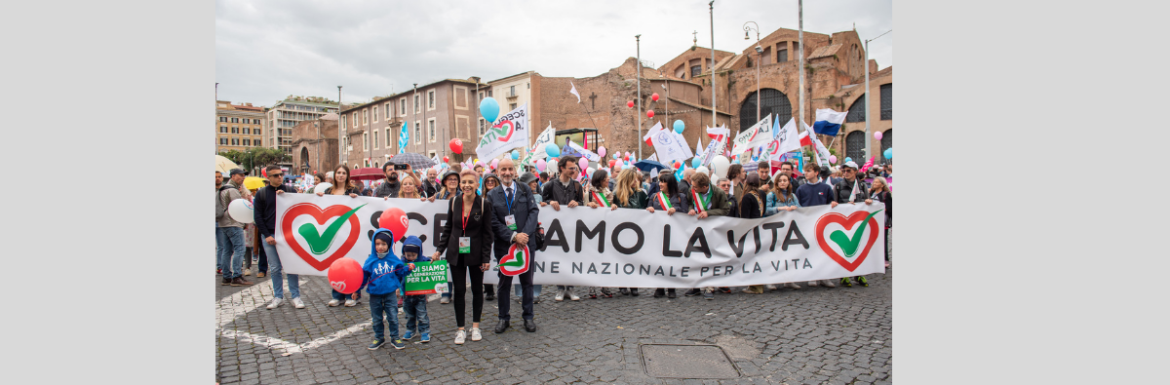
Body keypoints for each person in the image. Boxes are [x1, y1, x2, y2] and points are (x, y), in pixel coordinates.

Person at [431, 169, 494, 345]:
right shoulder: (453, 202)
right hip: (455, 253)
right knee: (459, 291)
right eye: (464, 182)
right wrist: (439, 250)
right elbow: (448, 229)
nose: (467, 185)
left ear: (477, 184)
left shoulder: (484, 205)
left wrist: (486, 258)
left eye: (470, 182)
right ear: (460, 184)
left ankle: (475, 327)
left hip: (476, 253)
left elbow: (488, 234)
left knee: (476, 290)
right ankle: (460, 329)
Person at [486, 159, 541, 334]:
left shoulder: (524, 189)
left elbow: (534, 212)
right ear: (497, 171)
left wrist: (523, 235)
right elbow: (493, 221)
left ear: (515, 171)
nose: (507, 172)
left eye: (510, 169)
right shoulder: (492, 195)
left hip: (526, 244)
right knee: (504, 283)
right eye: (504, 169)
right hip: (505, 246)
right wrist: (513, 236)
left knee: (527, 282)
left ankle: (528, 317)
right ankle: (503, 318)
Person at [254, 166, 305, 309]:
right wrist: (267, 235)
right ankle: (278, 296)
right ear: (268, 178)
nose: (279, 177)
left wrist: (287, 198)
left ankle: (296, 296)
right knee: (275, 268)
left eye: (281, 174)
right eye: (275, 175)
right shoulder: (261, 194)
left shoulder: (289, 191)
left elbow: (300, 209)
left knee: (291, 266)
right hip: (270, 235)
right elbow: (258, 217)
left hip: (287, 235)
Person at [319, 165, 365, 307]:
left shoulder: (353, 190)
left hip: (350, 232)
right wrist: (319, 198)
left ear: (347, 175)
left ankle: (352, 294)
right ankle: (337, 294)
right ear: (335, 175)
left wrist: (357, 198)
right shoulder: (328, 191)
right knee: (336, 265)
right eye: (338, 172)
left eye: (343, 173)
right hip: (333, 234)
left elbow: (363, 206)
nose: (340, 175)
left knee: (351, 264)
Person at [360, 229, 413, 351]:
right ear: (374, 244)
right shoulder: (370, 260)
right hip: (375, 294)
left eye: (383, 244)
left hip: (390, 294)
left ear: (389, 245)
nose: (380, 247)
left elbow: (400, 271)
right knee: (377, 318)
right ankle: (379, 338)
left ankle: (395, 337)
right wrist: (357, 290)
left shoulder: (393, 259)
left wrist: (408, 268)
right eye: (377, 244)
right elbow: (364, 276)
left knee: (393, 316)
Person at [540, 156, 583, 302]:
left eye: (575, 168)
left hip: (572, 228)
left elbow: (582, 203)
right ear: (561, 168)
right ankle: (560, 288)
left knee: (571, 257)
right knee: (558, 257)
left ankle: (570, 288)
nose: (574, 170)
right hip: (555, 230)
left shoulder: (577, 186)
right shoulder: (549, 186)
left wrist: (577, 203)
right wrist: (549, 202)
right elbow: (542, 202)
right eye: (571, 168)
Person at [682, 172, 731, 300]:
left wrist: (708, 213)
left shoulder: (718, 193)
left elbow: (725, 210)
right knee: (695, 258)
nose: (693, 189)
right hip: (696, 228)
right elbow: (688, 203)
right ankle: (696, 286)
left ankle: (710, 286)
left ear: (704, 187)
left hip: (712, 230)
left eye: (696, 187)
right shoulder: (691, 190)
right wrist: (690, 209)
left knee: (710, 258)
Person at [794, 164, 838, 288]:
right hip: (807, 224)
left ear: (816, 173)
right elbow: (798, 206)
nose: (805, 173)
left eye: (808, 171)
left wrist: (833, 204)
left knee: (824, 251)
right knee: (809, 251)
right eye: (805, 171)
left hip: (822, 225)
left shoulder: (826, 188)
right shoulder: (801, 189)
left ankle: (824, 277)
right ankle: (811, 276)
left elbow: (831, 202)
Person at [647, 170, 688, 299]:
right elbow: (646, 211)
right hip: (658, 233)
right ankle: (659, 287)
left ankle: (671, 288)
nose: (660, 184)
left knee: (672, 261)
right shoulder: (654, 196)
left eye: (663, 182)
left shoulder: (681, 197)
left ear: (670, 183)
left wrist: (677, 209)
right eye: (660, 181)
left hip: (674, 234)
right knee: (659, 261)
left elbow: (686, 212)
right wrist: (649, 209)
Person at [610, 168, 648, 297]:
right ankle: (622, 284)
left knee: (635, 258)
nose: (636, 181)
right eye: (633, 179)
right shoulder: (616, 194)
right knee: (622, 258)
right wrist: (613, 207)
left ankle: (634, 284)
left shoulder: (642, 194)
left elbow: (645, 209)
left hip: (637, 231)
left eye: (636, 179)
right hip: (622, 231)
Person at [217, 168, 254, 287]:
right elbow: (238, 208)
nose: (243, 177)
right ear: (232, 176)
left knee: (227, 250)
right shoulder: (232, 190)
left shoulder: (224, 188)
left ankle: (226, 276)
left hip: (224, 222)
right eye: (240, 175)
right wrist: (244, 223)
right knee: (240, 249)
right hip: (233, 222)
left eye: (244, 175)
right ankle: (237, 276)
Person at [583, 169, 616, 299]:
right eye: (605, 178)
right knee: (593, 257)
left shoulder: (610, 193)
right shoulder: (589, 194)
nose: (608, 180)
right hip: (592, 229)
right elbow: (582, 212)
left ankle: (605, 285)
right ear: (599, 180)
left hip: (606, 228)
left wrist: (614, 207)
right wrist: (588, 205)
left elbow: (610, 209)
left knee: (606, 257)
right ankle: (592, 285)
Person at [514, 172, 543, 303]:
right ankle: (520, 293)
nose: (535, 183)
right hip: (518, 235)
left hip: (533, 236)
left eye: (536, 181)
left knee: (532, 267)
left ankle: (533, 293)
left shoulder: (539, 197)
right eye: (532, 181)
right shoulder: (516, 196)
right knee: (518, 264)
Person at [399, 236, 431, 343]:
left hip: (420, 294)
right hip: (407, 294)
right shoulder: (402, 262)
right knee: (409, 314)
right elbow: (398, 274)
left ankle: (425, 331)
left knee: (422, 314)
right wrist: (398, 288)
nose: (411, 257)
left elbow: (431, 263)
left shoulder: (423, 260)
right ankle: (410, 330)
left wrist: (434, 261)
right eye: (408, 255)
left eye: (413, 255)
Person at [739, 173, 767, 294]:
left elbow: (745, 217)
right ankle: (758, 284)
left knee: (752, 259)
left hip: (751, 231)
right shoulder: (762, 194)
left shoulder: (747, 197)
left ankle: (755, 286)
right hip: (760, 229)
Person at [868, 176, 893, 269]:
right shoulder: (871, 193)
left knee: (883, 240)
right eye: (874, 182)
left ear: (882, 184)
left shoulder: (886, 194)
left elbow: (889, 207)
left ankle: (885, 259)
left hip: (882, 220)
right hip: (871, 221)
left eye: (877, 182)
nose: (875, 184)